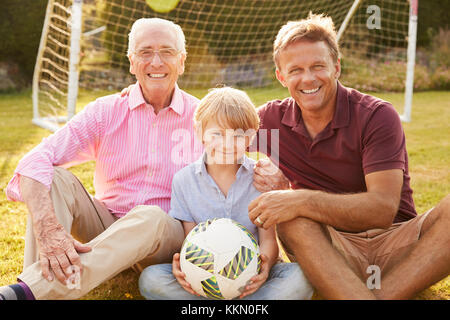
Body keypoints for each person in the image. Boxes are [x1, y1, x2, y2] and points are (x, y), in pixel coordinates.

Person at [248, 13, 450, 300]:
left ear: (337, 67)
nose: (308, 78)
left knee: (292, 206)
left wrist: (299, 198)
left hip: (399, 245)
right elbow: (213, 138)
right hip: (331, 252)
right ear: (281, 76)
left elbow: (382, 209)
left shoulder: (377, 115)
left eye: (318, 66)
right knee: (291, 218)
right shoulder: (269, 120)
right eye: (295, 70)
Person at [0, 18, 202, 300]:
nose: (156, 61)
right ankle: (36, 285)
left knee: (150, 216)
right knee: (53, 177)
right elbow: (35, 160)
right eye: (145, 52)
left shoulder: (203, 117)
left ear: (181, 61)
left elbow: (236, 163)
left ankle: (24, 293)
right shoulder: (105, 111)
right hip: (107, 225)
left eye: (166, 52)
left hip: (166, 238)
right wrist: (49, 228)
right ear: (132, 62)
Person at [138, 87, 314, 300]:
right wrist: (186, 268)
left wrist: (263, 265)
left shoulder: (259, 178)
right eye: (217, 134)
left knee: (301, 277)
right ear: (200, 133)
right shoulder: (184, 181)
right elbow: (190, 238)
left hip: (251, 276)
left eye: (238, 135)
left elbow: (268, 239)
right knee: (151, 278)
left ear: (250, 138)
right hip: (205, 276)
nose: (227, 144)